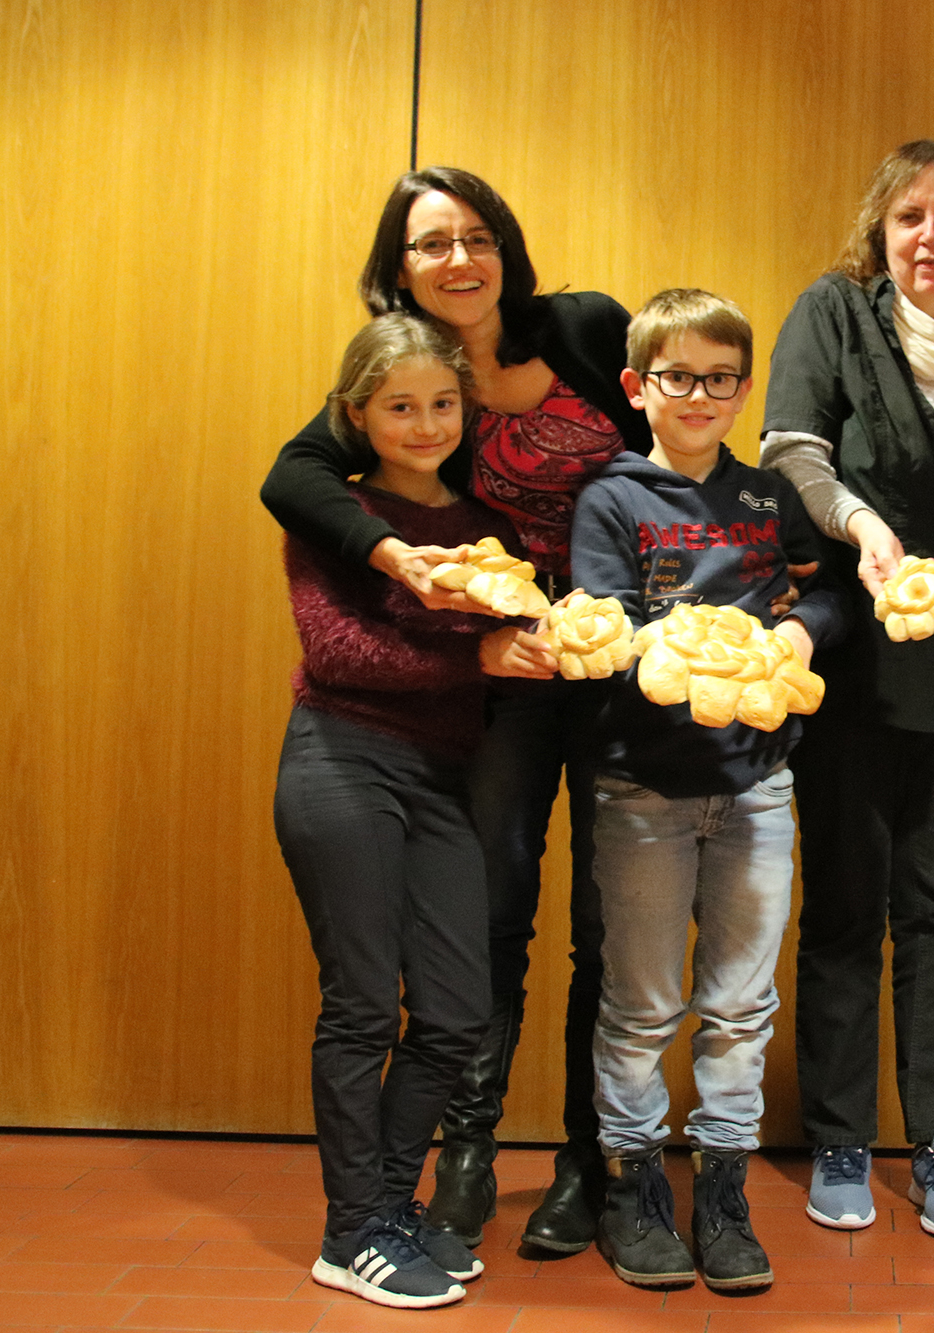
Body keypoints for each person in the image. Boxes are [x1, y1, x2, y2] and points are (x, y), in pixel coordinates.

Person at [261, 168, 649, 1255]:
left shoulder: (582, 327)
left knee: (609, 924)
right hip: (500, 673)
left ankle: (591, 1162)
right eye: (430, 243)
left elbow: (674, 439)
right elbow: (292, 477)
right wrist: (396, 556)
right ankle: (467, 1153)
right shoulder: (413, 376)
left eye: (476, 236)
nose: (458, 259)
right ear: (399, 269)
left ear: (506, 247)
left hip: (620, 660)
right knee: (490, 913)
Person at [760, 140, 934, 1238]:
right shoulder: (834, 312)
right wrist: (861, 521)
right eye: (909, 215)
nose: (928, 236)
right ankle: (839, 1135)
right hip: (859, 661)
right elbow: (789, 450)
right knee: (844, 903)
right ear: (881, 227)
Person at [570, 289, 847, 1292]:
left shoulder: (767, 496)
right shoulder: (611, 499)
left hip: (757, 785)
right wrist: (683, 647)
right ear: (637, 386)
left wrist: (800, 629)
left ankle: (722, 1194)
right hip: (643, 788)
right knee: (643, 1004)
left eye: (720, 379)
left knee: (739, 1005)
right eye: (677, 377)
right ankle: (634, 1188)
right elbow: (601, 625)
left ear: (744, 389)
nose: (699, 396)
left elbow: (828, 586)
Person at [274, 314, 540, 1309]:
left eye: (441, 404)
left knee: (458, 1009)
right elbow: (340, 652)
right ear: (357, 415)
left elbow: (517, 645)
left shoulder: (488, 527)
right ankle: (352, 1232)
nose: (425, 424)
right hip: (340, 758)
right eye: (399, 406)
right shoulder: (333, 512)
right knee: (359, 1005)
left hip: (439, 777)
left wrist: (551, 640)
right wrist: (479, 655)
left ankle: (384, 1207)